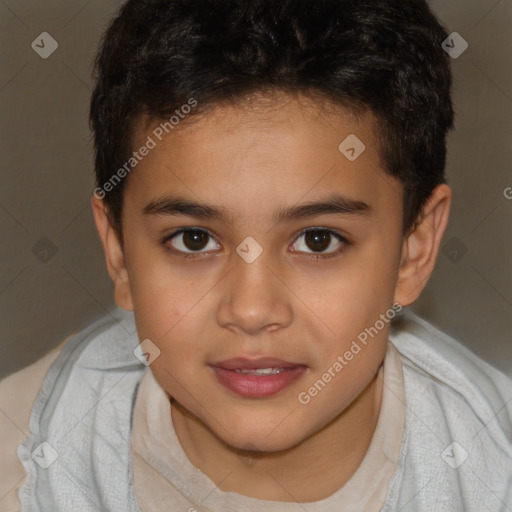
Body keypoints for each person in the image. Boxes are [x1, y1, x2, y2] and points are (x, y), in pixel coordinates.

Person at [1, 0, 511, 510]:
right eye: (193, 240)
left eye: (318, 240)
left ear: (413, 250)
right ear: (118, 252)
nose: (251, 310)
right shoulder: (20, 465)